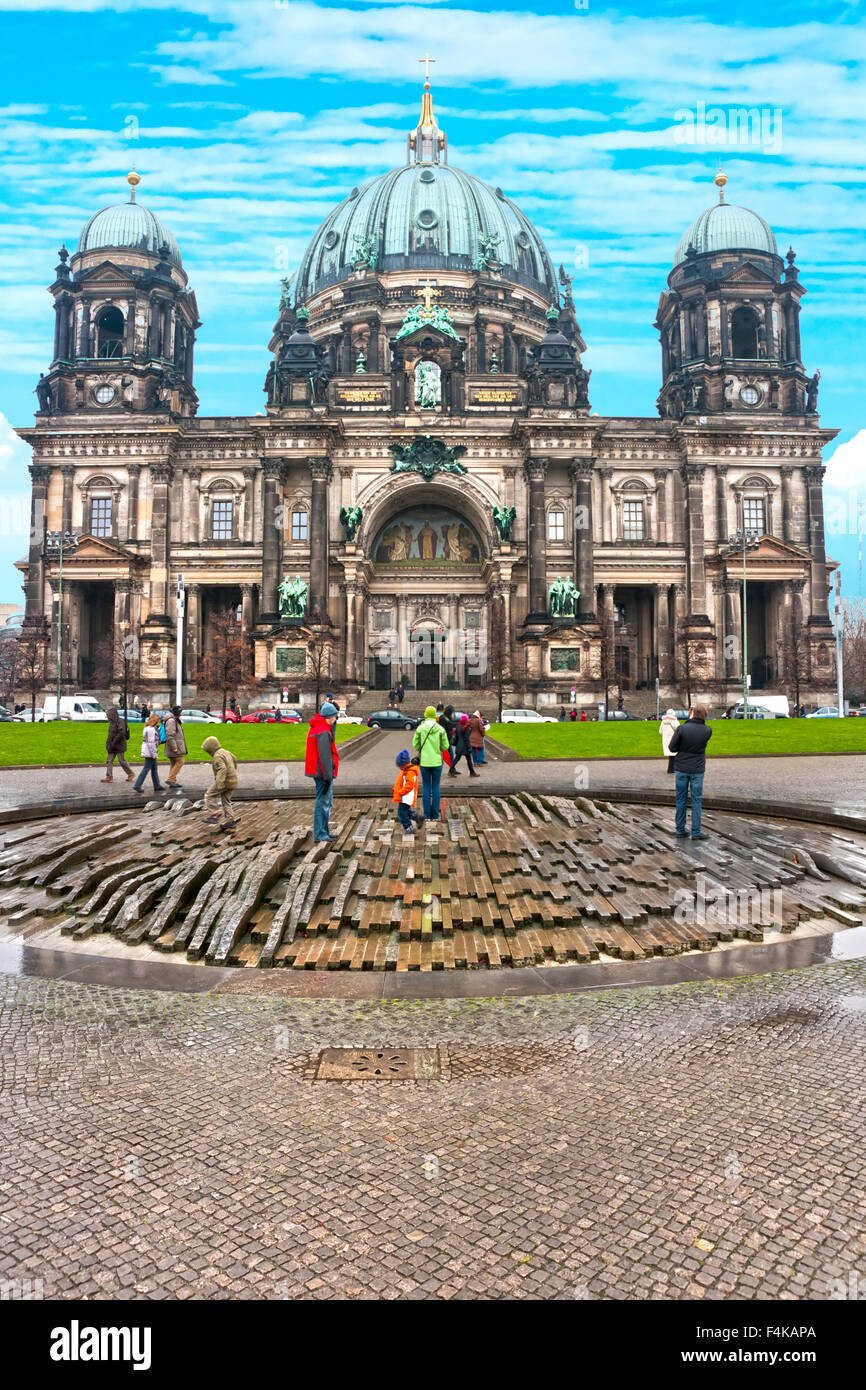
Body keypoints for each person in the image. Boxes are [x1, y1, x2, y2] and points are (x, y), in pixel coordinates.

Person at [669, 704, 712, 840]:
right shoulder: (707, 730)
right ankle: (696, 831)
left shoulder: (682, 728)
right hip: (697, 769)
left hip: (682, 767)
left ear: (692, 713)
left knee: (680, 799)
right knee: (696, 800)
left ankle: (680, 829)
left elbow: (672, 747)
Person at [305, 700, 339, 843]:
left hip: (318, 771)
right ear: (329, 717)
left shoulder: (318, 728)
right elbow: (325, 757)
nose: (336, 719)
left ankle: (324, 831)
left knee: (325, 802)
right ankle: (320, 834)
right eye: (335, 716)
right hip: (322, 773)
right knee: (323, 803)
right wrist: (328, 777)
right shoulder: (323, 731)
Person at [412, 705, 449, 821]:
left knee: (426, 787)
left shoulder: (420, 728)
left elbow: (415, 745)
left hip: (424, 762)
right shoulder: (441, 729)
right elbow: (446, 746)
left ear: (425, 715)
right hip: (437, 762)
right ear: (435, 715)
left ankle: (427, 815)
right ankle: (436, 815)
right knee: (436, 787)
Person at [201, 736, 238, 831]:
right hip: (233, 780)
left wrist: (220, 783)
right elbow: (235, 759)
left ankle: (214, 815)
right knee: (226, 801)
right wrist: (233, 772)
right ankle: (231, 821)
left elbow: (222, 769)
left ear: (211, 748)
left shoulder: (217, 756)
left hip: (224, 781)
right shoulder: (226, 752)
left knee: (209, 795)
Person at [133, 714, 166, 794]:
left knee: (154, 769)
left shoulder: (148, 728)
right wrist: (154, 754)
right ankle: (137, 785)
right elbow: (151, 743)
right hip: (150, 752)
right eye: (158, 720)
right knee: (146, 768)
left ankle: (157, 785)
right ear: (155, 720)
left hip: (148, 750)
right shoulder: (151, 729)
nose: (159, 721)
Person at [102, 707, 134, 783]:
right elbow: (110, 735)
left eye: (108, 715)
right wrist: (108, 743)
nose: (107, 717)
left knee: (122, 761)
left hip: (119, 745)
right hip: (111, 746)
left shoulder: (120, 722)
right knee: (109, 761)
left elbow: (121, 733)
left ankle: (131, 773)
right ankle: (109, 776)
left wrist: (114, 742)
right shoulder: (112, 723)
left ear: (112, 715)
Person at [392, 749, 419, 835]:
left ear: (402, 764)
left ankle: (409, 827)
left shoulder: (409, 772)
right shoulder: (405, 770)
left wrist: (400, 792)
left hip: (405, 796)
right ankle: (416, 817)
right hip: (404, 796)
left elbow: (409, 785)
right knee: (405, 810)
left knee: (401, 813)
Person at [659, 708, 680, 775]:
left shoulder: (663, 722)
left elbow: (660, 732)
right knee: (674, 754)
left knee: (671, 755)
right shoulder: (675, 721)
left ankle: (671, 768)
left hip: (665, 740)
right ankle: (672, 769)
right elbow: (679, 731)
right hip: (674, 739)